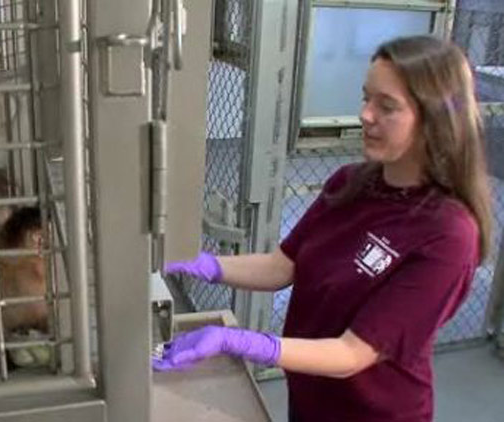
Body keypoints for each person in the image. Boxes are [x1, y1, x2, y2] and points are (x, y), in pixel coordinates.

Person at [153, 35, 493, 422]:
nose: (366, 115)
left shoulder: (447, 235)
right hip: (312, 399)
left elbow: (351, 355)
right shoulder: (350, 182)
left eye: (387, 106)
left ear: (434, 121)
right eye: (366, 98)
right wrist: (201, 263)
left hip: (374, 412)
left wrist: (237, 340)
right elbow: (283, 266)